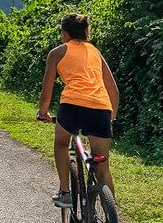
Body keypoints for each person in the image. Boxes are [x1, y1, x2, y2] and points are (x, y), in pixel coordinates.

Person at [36, 13, 119, 208]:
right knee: (102, 166)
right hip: (101, 109)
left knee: (62, 145)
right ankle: (111, 219)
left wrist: (43, 113)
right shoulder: (95, 52)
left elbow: (46, 92)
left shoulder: (57, 52)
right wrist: (111, 117)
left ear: (64, 33)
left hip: (71, 107)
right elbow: (113, 91)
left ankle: (65, 192)